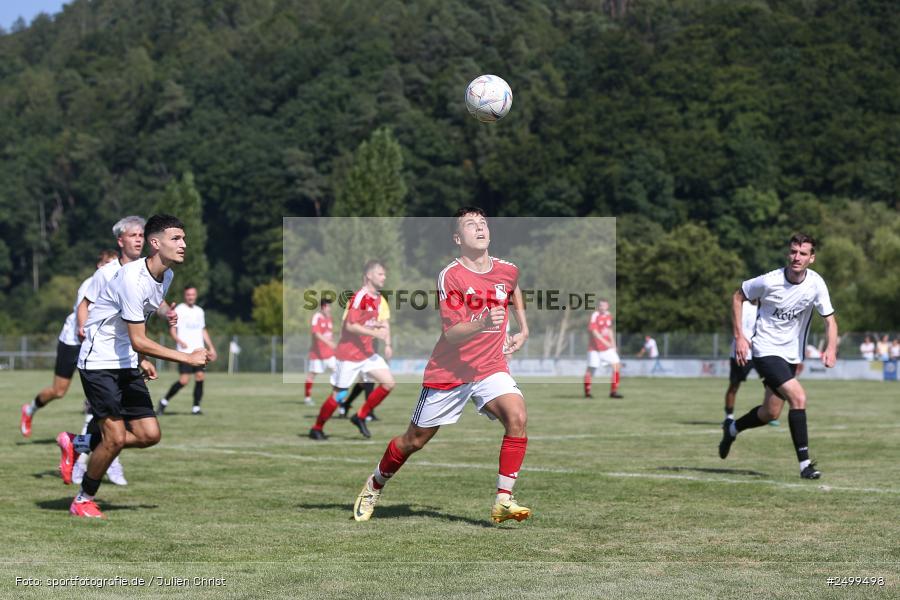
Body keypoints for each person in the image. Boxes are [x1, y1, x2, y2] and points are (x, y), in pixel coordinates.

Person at [352, 207, 531, 524]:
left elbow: (513, 287)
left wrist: (523, 327)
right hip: (450, 372)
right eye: (470, 224)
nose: (479, 227)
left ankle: (503, 499)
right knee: (414, 441)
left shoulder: (507, 269)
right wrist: (483, 320)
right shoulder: (451, 276)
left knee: (517, 416)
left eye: (483, 223)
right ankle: (374, 484)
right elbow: (452, 333)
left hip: (490, 367)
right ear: (457, 237)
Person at [56, 215, 209, 519]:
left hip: (125, 361)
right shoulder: (130, 278)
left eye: (184, 238)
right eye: (176, 239)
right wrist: (186, 356)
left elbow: (136, 327)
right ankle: (83, 499)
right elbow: (139, 339)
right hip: (98, 362)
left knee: (149, 434)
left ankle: (80, 442)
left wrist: (141, 359)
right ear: (156, 244)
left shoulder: (166, 277)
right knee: (113, 438)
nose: (184, 244)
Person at [719, 234, 837, 479]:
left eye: (803, 253)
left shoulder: (816, 283)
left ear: (811, 258)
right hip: (765, 350)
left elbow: (830, 321)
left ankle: (733, 428)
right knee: (799, 397)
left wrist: (831, 347)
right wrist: (740, 336)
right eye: (793, 251)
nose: (797, 257)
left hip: (791, 354)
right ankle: (805, 465)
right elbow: (737, 297)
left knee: (770, 413)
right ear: (788, 253)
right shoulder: (769, 281)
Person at [20, 250, 117, 438]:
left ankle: (83, 442)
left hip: (96, 345)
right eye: (107, 264)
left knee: (96, 393)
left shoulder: (119, 286)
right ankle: (30, 409)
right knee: (58, 391)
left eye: (115, 264)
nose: (111, 268)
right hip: (73, 341)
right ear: (99, 265)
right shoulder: (90, 284)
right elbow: (84, 316)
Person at [308, 260, 395, 440]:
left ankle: (360, 416)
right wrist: (375, 332)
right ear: (369, 276)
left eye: (385, 274)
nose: (384, 277)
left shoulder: (377, 298)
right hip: (348, 356)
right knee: (339, 395)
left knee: (389, 383)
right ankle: (316, 428)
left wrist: (379, 326)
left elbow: (365, 322)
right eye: (380, 274)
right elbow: (350, 326)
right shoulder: (360, 297)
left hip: (366, 353)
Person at [156, 286, 218, 415]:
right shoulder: (179, 310)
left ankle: (196, 407)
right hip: (185, 353)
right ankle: (164, 401)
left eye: (193, 294)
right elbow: (172, 330)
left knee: (200, 377)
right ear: (185, 295)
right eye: (188, 294)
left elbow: (203, 330)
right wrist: (179, 341)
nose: (191, 297)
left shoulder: (199, 311)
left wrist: (211, 347)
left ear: (196, 295)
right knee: (184, 380)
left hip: (199, 351)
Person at [722, 300, 763, 424]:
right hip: (741, 352)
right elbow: (736, 328)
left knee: (772, 384)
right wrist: (746, 342)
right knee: (734, 385)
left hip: (761, 352)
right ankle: (729, 416)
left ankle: (768, 412)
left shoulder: (766, 305)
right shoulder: (743, 305)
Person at [583, 299, 623, 399]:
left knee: (616, 366)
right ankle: (587, 393)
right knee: (591, 370)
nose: (602, 307)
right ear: (598, 306)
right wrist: (606, 343)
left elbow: (609, 330)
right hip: (594, 349)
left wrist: (613, 344)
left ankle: (613, 392)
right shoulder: (595, 315)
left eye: (604, 305)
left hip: (607, 349)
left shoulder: (609, 315)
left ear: (607, 306)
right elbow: (594, 332)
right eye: (600, 305)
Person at [303, 298, 337, 406]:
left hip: (329, 353)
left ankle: (337, 397)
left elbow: (329, 334)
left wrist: (334, 344)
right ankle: (307, 398)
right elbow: (316, 334)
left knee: (337, 371)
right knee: (312, 374)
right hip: (317, 353)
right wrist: (329, 343)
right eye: (328, 306)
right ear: (323, 307)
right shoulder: (316, 317)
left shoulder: (329, 318)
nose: (330, 309)